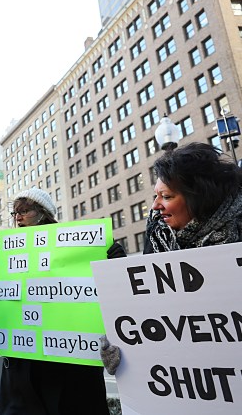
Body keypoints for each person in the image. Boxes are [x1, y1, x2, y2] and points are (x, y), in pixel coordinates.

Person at [100, 142, 242, 375]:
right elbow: (149, 318)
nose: (155, 206)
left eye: (166, 196)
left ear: (200, 196)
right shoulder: (157, 237)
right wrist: (126, 353)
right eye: (156, 195)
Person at [0, 187, 125, 415]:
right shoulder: (8, 251)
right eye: (15, 213)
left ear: (43, 213)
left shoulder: (76, 246)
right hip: (26, 359)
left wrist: (115, 265)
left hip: (69, 362)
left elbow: (104, 291)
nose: (18, 217)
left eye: (24, 211)